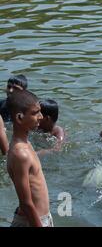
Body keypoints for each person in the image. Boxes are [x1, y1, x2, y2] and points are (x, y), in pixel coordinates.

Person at [6, 90, 53, 227]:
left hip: (39, 218)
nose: (41, 117)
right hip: (32, 222)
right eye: (35, 113)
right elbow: (26, 203)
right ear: (19, 118)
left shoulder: (26, 144)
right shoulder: (20, 154)